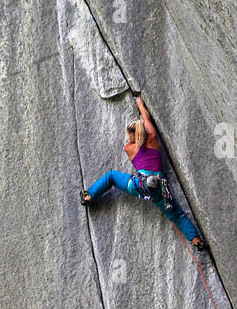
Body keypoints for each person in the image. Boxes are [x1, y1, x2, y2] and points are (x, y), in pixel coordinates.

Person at [80, 96, 206, 251]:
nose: (128, 137)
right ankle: (195, 240)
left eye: (129, 134)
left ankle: (89, 196)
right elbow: (146, 118)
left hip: (138, 185)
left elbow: (136, 138)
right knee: (177, 215)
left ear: (134, 134)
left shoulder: (129, 148)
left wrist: (136, 130)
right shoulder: (153, 137)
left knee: (111, 176)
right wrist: (139, 103)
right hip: (159, 190)